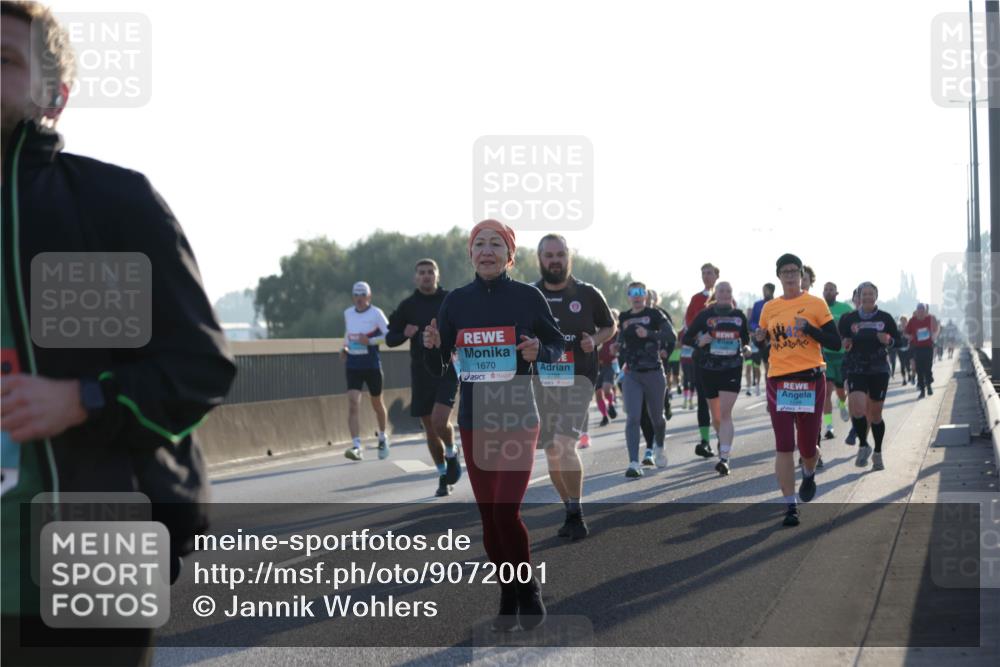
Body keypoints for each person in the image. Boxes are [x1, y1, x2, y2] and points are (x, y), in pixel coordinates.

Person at [1, 3, 237, 663]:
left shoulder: (112, 203)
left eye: (4, 60)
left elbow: (199, 367)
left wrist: (82, 397)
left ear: (55, 95)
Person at [423, 219, 563, 632]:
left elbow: (556, 346)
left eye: (495, 245)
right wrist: (432, 347)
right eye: (479, 244)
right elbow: (440, 366)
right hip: (474, 421)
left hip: (519, 416)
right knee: (488, 519)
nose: (486, 251)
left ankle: (528, 587)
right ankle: (507, 590)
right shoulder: (455, 303)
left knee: (506, 510)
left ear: (510, 255)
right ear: (470, 254)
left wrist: (541, 350)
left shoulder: (528, 297)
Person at [533, 235, 615, 539]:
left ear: (570, 257)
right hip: (543, 381)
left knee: (565, 444)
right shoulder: (530, 295)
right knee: (552, 450)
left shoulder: (588, 293)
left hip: (579, 378)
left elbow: (609, 325)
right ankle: (568, 508)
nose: (555, 260)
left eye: (560, 254)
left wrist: (594, 340)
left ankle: (577, 513)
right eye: (549, 255)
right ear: (539, 259)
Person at [755, 254, 841, 527]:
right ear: (778, 276)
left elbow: (835, 342)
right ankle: (790, 506)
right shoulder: (770, 308)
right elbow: (764, 341)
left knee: (807, 447)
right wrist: (759, 338)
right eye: (785, 271)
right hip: (779, 380)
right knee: (783, 445)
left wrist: (812, 330)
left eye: (794, 271)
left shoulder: (815, 304)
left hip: (810, 380)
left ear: (801, 275)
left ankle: (808, 471)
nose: (790, 275)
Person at [386, 259, 460, 496]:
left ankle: (451, 452)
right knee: (429, 428)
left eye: (430, 272)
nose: (426, 276)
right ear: (415, 278)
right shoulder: (408, 306)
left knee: (440, 421)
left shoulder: (450, 300)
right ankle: (442, 475)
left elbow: (464, 328)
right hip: (421, 372)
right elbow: (390, 338)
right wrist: (403, 333)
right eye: (422, 273)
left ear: (437, 275)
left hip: (446, 368)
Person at [682, 282, 750, 476]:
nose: (725, 294)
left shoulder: (739, 316)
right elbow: (686, 338)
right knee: (717, 416)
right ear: (716, 295)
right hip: (708, 368)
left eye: (729, 290)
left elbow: (746, 340)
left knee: (726, 413)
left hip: (732, 368)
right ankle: (722, 440)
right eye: (722, 291)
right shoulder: (705, 315)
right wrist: (698, 341)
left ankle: (724, 458)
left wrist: (745, 349)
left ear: (731, 295)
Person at [839, 282, 900, 471]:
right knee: (857, 409)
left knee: (875, 414)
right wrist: (846, 343)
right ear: (858, 297)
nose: (866, 297)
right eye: (863, 294)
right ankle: (864, 445)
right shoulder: (849, 319)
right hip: (856, 367)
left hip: (879, 368)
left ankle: (878, 453)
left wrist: (888, 340)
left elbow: (898, 341)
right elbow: (842, 341)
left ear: (876, 296)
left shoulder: (886, 318)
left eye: (870, 294)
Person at [618, 282, 676, 477]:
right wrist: (616, 349)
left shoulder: (654, 315)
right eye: (632, 293)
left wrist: (649, 333)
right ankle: (634, 463)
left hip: (653, 372)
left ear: (645, 295)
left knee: (656, 418)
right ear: (628, 296)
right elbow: (621, 341)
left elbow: (670, 334)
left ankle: (659, 446)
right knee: (633, 417)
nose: (636, 296)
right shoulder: (624, 317)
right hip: (632, 373)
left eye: (640, 292)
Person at [341, 282, 391, 461]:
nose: (359, 298)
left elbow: (389, 336)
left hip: (371, 365)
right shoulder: (348, 313)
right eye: (356, 295)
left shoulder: (376, 313)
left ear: (369, 297)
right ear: (353, 297)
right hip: (353, 365)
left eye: (363, 295)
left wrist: (369, 342)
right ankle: (356, 446)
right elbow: (349, 333)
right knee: (353, 402)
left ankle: (383, 438)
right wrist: (345, 348)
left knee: (377, 403)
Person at [684, 263, 720, 458]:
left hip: (723, 358)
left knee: (720, 402)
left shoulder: (724, 297)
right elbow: (688, 324)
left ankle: (722, 438)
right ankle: (705, 441)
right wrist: (700, 338)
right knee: (703, 400)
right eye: (703, 273)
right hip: (702, 355)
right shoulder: (696, 299)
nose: (706, 276)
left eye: (710, 273)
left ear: (716, 276)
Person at [820, 282, 852, 440]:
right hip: (826, 355)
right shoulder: (818, 308)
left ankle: (841, 404)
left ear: (836, 292)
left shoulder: (845, 308)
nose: (828, 292)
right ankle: (829, 426)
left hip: (842, 355)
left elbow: (854, 325)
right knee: (826, 392)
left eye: (831, 289)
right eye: (826, 289)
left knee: (841, 392)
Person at [904, 303, 940, 399]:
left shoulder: (931, 318)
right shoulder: (912, 321)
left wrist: (934, 335)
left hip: (928, 347)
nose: (921, 313)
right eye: (919, 311)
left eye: (922, 311)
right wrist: (909, 336)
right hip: (917, 348)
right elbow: (905, 333)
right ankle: (922, 390)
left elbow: (937, 328)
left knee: (928, 368)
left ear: (925, 311)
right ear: (916, 311)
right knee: (919, 369)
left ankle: (929, 385)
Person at [595, 313, 620, 427]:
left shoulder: (617, 334)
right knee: (598, 394)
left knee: (606, 388)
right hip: (596, 366)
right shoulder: (596, 332)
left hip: (610, 365)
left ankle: (611, 405)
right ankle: (605, 416)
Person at [749, 283, 775, 377]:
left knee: (769, 367)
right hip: (758, 338)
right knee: (756, 365)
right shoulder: (757, 304)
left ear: (772, 291)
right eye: (763, 290)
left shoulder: (777, 304)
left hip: (772, 340)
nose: (764, 292)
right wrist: (757, 329)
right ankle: (757, 388)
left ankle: (769, 387)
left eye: (766, 290)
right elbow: (752, 321)